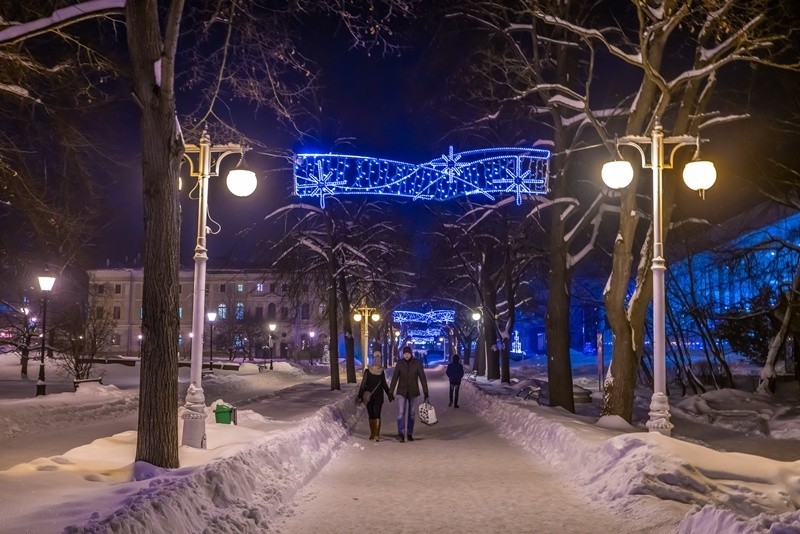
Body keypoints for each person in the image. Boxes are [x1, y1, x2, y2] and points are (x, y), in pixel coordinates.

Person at [389, 345, 429, 442]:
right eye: (405, 354)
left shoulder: (417, 363)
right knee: (401, 413)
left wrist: (426, 391)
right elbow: (394, 378)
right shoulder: (399, 363)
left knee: (412, 413)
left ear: (411, 354)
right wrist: (390, 392)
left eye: (408, 354)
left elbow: (422, 378)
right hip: (401, 391)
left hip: (413, 391)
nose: (406, 356)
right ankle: (401, 433)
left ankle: (409, 433)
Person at [357, 349, 393, 441]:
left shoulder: (368, 371)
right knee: (375, 414)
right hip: (376, 396)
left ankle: (374, 434)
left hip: (370, 396)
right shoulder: (379, 372)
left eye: (378, 362)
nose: (377, 364)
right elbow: (384, 385)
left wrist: (360, 395)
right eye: (376, 362)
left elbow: (363, 384)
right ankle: (375, 434)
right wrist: (389, 394)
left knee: (372, 414)